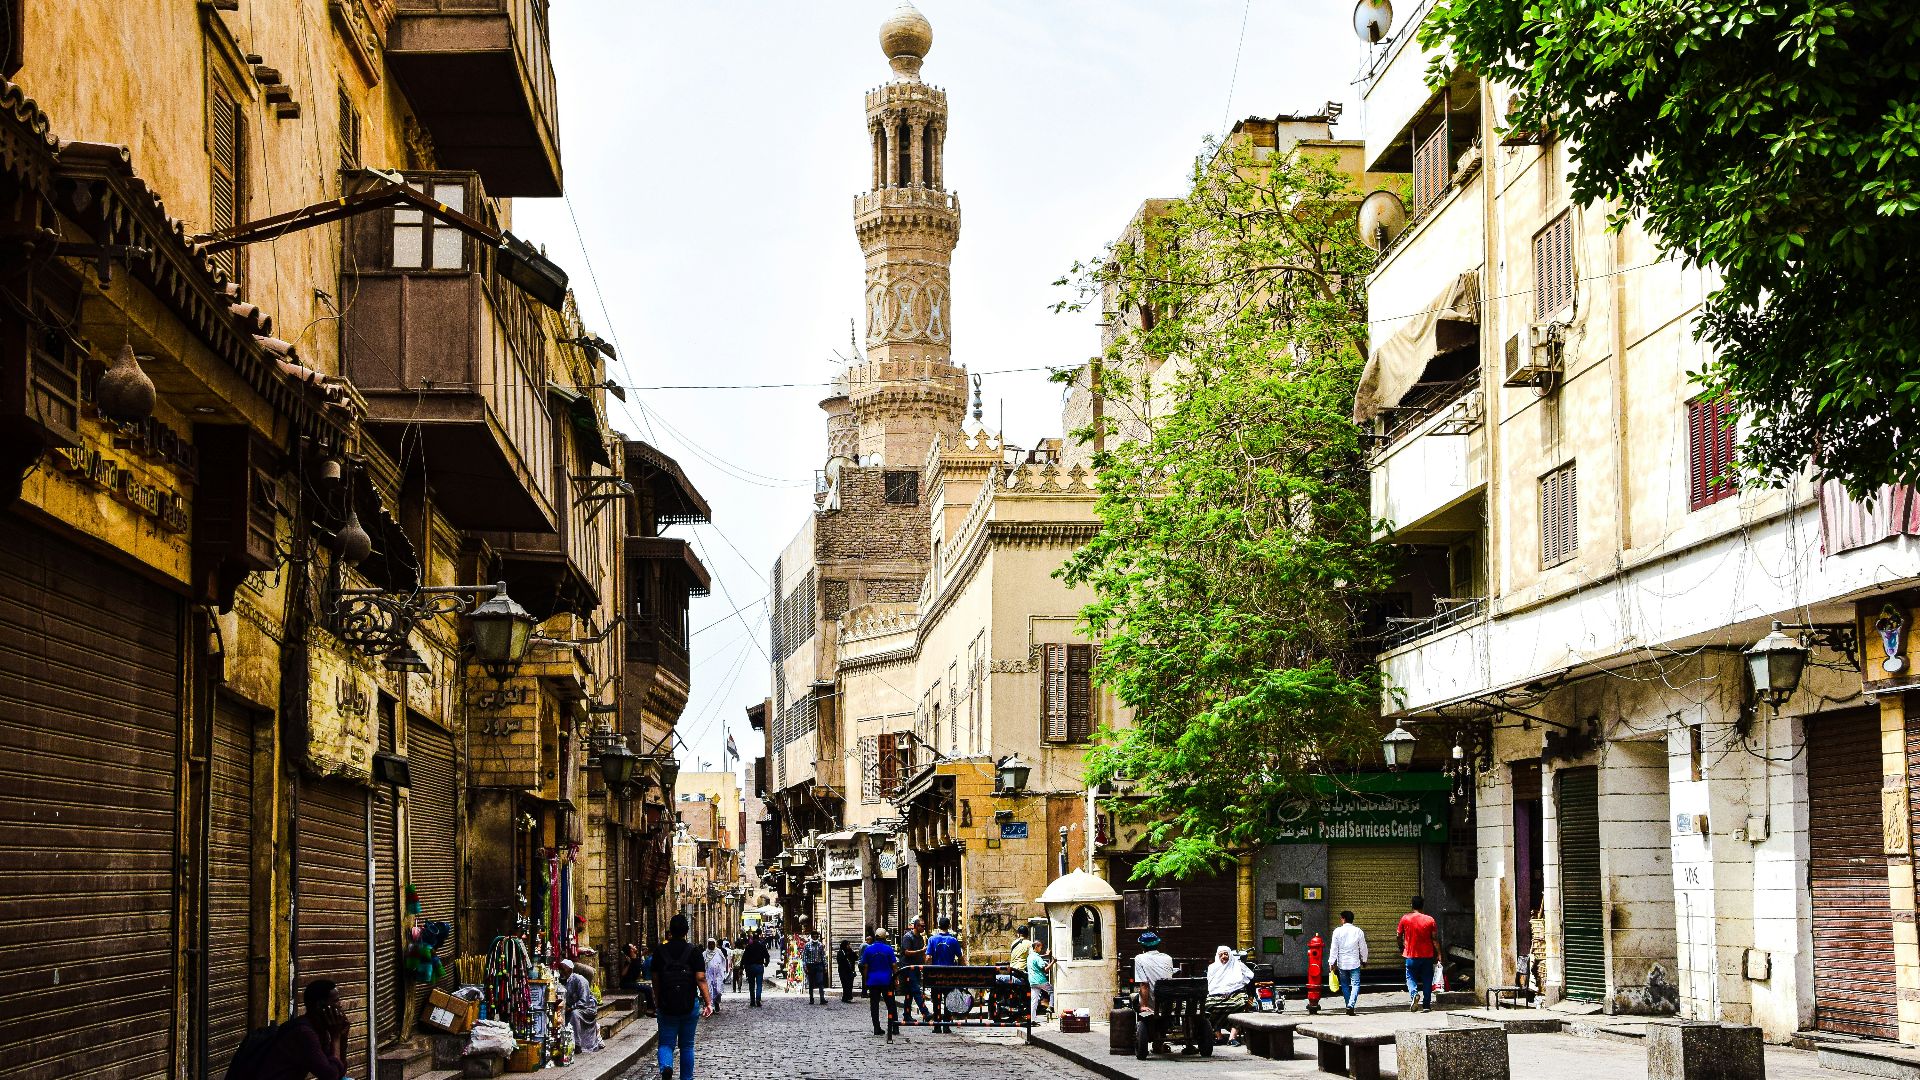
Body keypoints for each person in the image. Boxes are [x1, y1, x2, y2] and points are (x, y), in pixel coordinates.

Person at [650, 913, 713, 1080]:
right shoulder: (694, 952)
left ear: (670, 931)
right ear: (686, 931)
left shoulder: (659, 951)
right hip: (688, 1005)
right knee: (687, 1046)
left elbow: (655, 979)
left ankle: (666, 1068)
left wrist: (657, 1000)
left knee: (665, 1044)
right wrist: (708, 1003)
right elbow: (701, 978)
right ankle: (686, 1078)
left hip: (666, 1005)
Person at [250, 978, 349, 1080]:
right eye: (336, 1001)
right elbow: (330, 1076)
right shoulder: (303, 1033)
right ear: (320, 1006)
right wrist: (336, 1037)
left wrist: (342, 1038)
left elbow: (338, 1072)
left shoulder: (319, 1029)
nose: (340, 1005)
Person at [1132, 931, 1177, 1055]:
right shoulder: (1168, 958)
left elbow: (1144, 985)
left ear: (1142, 946)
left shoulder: (1139, 958)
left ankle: (1150, 1034)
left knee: (1135, 999)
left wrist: (1144, 1005)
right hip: (1168, 1001)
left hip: (1153, 1001)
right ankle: (1159, 1041)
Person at [1203, 945, 1255, 1044]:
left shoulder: (1238, 965)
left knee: (1240, 1004)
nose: (1224, 957)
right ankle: (1219, 1036)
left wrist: (1251, 997)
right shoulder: (1212, 968)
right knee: (1207, 1007)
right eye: (1221, 955)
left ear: (1230, 955)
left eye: (1226, 954)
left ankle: (1232, 1037)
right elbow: (1210, 985)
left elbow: (1250, 979)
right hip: (1216, 995)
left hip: (1236, 994)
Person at [1398, 895, 1441, 1013]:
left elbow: (1398, 935)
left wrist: (1401, 947)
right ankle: (1426, 1005)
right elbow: (1434, 939)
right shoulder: (1430, 920)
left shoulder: (1405, 918)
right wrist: (1439, 954)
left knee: (1410, 976)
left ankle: (1414, 994)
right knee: (1427, 979)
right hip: (1427, 955)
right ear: (1423, 905)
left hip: (1411, 955)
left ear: (1412, 905)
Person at [860, 927, 901, 1039]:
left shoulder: (868, 949)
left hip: (873, 981)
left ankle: (876, 1028)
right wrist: (896, 979)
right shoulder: (888, 949)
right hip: (886, 981)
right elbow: (893, 965)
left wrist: (866, 980)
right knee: (891, 1004)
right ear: (885, 938)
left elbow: (865, 967)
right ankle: (895, 1027)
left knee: (874, 1005)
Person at [926, 916, 965, 1032]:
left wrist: (926, 968)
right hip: (949, 974)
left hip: (936, 974)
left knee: (936, 1000)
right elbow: (960, 957)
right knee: (948, 999)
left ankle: (937, 1026)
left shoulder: (932, 939)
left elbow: (928, 957)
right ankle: (946, 1025)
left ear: (938, 926)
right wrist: (963, 969)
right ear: (949, 926)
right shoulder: (953, 940)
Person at [559, 958, 604, 1054]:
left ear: (570, 969)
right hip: (575, 1007)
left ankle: (577, 1044)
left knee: (575, 1014)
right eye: (560, 969)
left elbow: (584, 1001)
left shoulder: (580, 980)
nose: (561, 972)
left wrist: (570, 1007)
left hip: (587, 1008)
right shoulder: (563, 981)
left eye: (563, 969)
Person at [1329, 910, 1369, 1015]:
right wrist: (1364, 959)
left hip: (1342, 963)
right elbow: (1363, 947)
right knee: (1355, 984)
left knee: (1345, 985)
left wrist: (1331, 962)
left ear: (1343, 919)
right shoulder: (1358, 931)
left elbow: (1334, 948)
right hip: (1354, 962)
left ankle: (1348, 1005)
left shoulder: (1337, 931)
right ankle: (1351, 1005)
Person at [898, 916, 932, 1022]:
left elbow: (921, 954)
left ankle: (907, 1014)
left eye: (924, 926)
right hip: (908, 968)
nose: (924, 928)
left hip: (916, 967)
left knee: (910, 992)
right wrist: (921, 951)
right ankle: (925, 1012)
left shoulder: (920, 938)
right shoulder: (908, 937)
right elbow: (906, 952)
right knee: (916, 990)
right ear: (916, 926)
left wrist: (924, 965)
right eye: (922, 926)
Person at [1026, 940, 1054, 1018]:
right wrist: (1053, 962)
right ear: (1036, 947)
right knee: (1051, 991)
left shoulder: (1030, 956)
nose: (1041, 949)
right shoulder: (1038, 958)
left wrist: (1046, 955)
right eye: (1040, 947)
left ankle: (1032, 1019)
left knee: (1034, 1001)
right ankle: (1051, 1006)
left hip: (1032, 981)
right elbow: (1045, 969)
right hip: (1040, 980)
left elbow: (1038, 957)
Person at [741, 934, 770, 1007]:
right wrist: (766, 963)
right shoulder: (762, 946)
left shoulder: (748, 947)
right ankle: (758, 999)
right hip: (759, 967)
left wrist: (741, 967)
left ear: (752, 939)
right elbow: (767, 956)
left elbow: (744, 957)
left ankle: (752, 1001)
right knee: (759, 984)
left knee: (751, 985)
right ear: (759, 938)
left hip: (750, 967)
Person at [802, 930, 829, 1004]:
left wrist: (825, 966)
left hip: (819, 965)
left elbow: (823, 956)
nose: (815, 937)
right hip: (810, 966)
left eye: (816, 936)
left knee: (820, 982)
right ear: (811, 936)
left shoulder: (820, 945)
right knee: (811, 983)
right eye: (813, 936)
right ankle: (811, 998)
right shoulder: (807, 945)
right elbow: (804, 957)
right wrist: (805, 966)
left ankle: (822, 998)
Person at [703, 938, 729, 1013]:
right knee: (709, 991)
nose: (711, 945)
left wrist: (723, 973)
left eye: (712, 944)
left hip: (718, 975)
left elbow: (723, 962)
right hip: (708, 975)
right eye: (709, 944)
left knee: (718, 990)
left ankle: (716, 1002)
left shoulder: (719, 952)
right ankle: (710, 1006)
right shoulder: (705, 954)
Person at [836, 938, 859, 1004]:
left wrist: (854, 954)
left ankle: (848, 997)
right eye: (847, 945)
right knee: (845, 984)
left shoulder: (851, 951)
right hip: (843, 971)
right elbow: (840, 961)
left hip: (850, 970)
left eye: (849, 944)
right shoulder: (840, 952)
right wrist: (847, 955)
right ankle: (846, 997)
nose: (849, 946)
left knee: (850, 984)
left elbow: (855, 958)